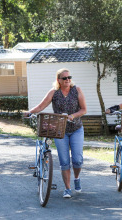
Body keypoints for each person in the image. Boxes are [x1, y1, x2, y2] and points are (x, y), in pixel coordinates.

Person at [24, 68, 87, 198]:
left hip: (76, 129)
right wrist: (30, 112)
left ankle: (76, 178)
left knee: (77, 160)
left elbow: (84, 109)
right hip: (59, 131)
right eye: (64, 78)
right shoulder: (54, 93)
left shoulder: (77, 90)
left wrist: (72, 116)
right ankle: (68, 188)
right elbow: (41, 106)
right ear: (58, 80)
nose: (68, 80)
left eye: (69, 77)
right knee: (64, 161)